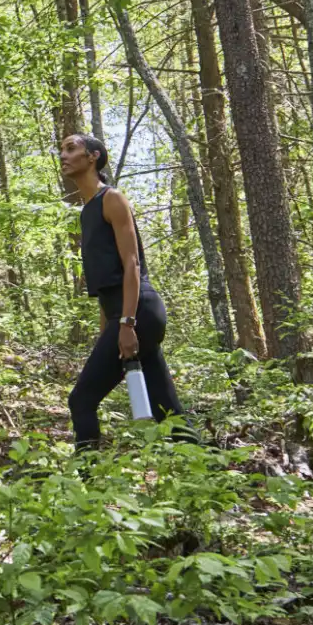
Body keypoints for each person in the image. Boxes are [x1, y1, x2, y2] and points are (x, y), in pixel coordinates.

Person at [59, 132, 196, 450]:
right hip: (124, 314)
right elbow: (106, 286)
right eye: (61, 150)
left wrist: (127, 323)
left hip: (140, 312)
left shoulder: (112, 199)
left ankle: (87, 487)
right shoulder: (87, 211)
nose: (63, 156)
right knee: (168, 411)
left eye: (71, 149)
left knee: (81, 400)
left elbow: (132, 265)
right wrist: (106, 332)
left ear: (92, 156)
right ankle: (215, 489)